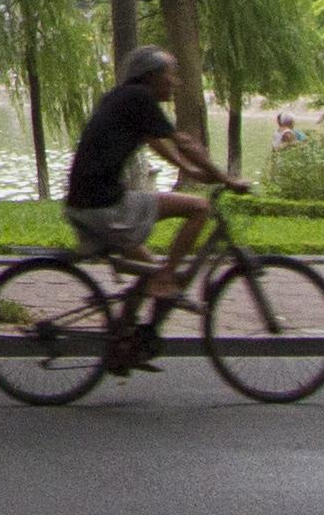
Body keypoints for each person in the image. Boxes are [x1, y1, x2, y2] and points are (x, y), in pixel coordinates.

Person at [63, 45, 249, 342]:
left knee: (148, 268)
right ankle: (165, 281)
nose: (175, 82)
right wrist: (226, 179)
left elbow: (156, 142)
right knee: (200, 208)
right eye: (170, 74)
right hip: (104, 205)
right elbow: (184, 142)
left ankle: (124, 344)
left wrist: (190, 169)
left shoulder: (124, 97)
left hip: (91, 202)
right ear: (151, 76)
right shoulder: (140, 97)